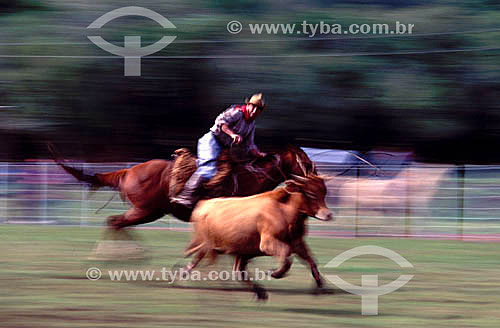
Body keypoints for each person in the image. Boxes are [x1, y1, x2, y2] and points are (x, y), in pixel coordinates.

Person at [171, 93, 266, 208]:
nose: (255, 110)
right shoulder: (237, 112)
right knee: (209, 169)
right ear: (248, 105)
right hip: (212, 141)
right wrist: (232, 134)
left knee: (231, 174)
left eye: (258, 109)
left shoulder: (251, 125)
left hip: (224, 149)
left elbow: (249, 145)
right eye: (253, 106)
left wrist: (259, 154)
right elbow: (221, 123)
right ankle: (185, 196)